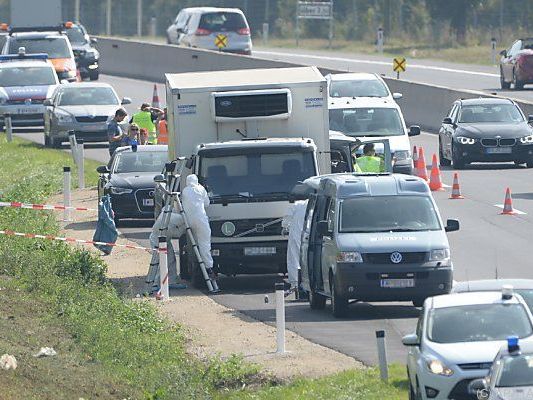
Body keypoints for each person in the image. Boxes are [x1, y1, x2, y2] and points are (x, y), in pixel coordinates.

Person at [181, 174, 213, 272]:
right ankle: (208, 267)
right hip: (201, 220)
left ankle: (194, 266)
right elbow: (207, 204)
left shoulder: (184, 191)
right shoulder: (201, 189)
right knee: (205, 243)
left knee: (193, 244)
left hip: (188, 221)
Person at [282, 199, 308, 294]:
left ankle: (296, 284)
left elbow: (288, 215)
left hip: (297, 235)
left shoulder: (299, 204)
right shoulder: (320, 204)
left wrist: (285, 226)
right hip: (309, 236)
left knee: (294, 259)